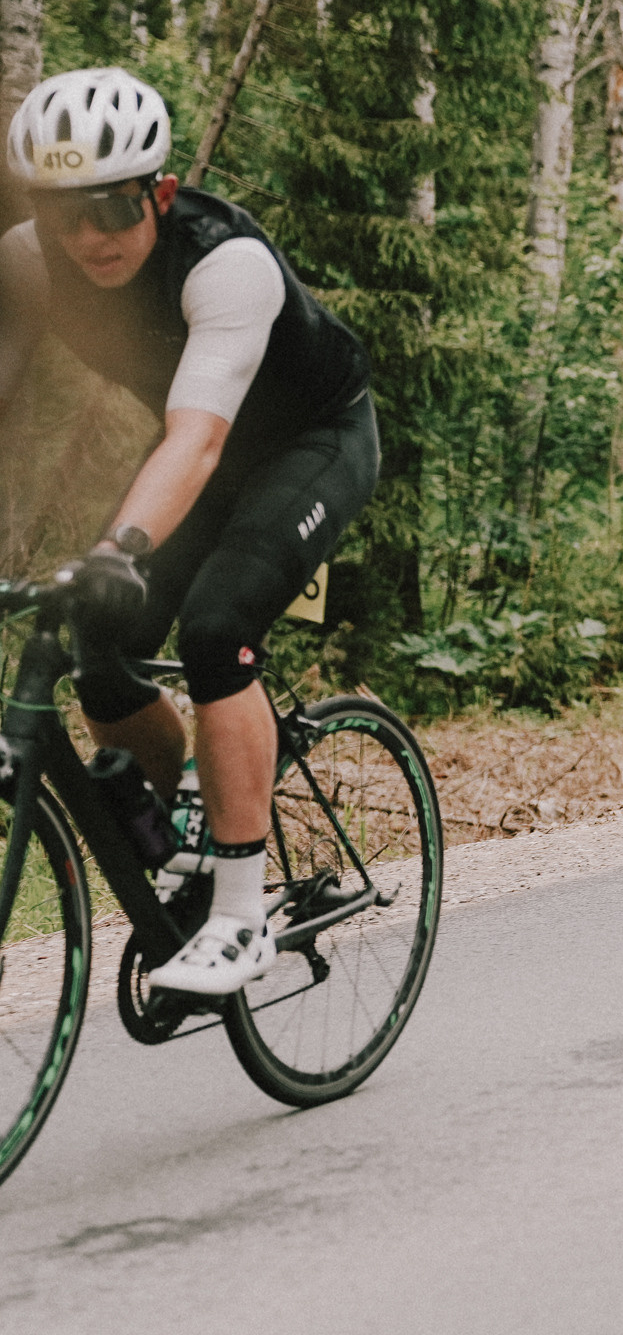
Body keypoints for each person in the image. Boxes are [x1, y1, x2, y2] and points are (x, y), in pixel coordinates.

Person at [0, 67, 380, 994]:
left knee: (216, 629)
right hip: (199, 455)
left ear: (160, 192)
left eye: (112, 208)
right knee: (96, 644)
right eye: (62, 214)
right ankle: (185, 833)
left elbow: (197, 439)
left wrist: (118, 548)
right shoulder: (27, 261)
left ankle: (241, 917)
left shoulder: (225, 262)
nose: (88, 237)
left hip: (310, 444)